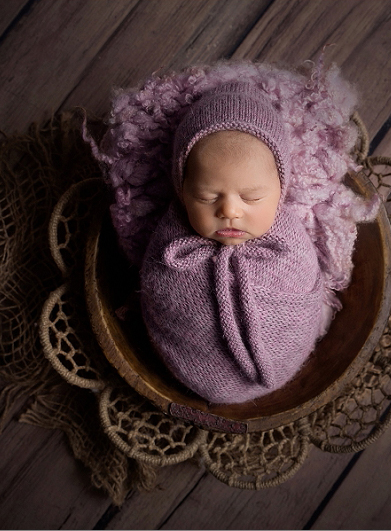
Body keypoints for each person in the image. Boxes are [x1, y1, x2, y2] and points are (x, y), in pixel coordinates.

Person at [140, 82, 328, 404]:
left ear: (280, 190)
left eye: (252, 197)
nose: (229, 211)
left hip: (287, 353)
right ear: (182, 190)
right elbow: (159, 294)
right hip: (191, 369)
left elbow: (305, 289)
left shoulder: (290, 243)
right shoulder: (171, 247)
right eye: (206, 196)